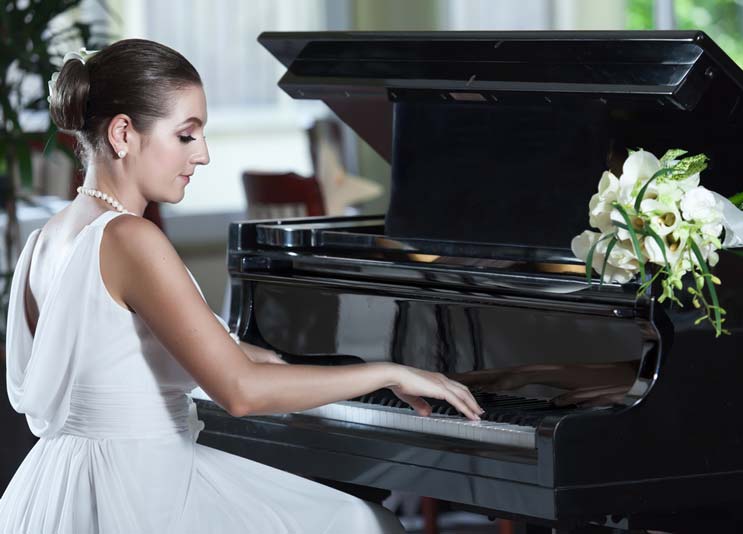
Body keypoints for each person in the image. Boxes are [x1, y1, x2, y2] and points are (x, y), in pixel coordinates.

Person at [0, 39, 483, 534]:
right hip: (143, 490)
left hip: (64, 480)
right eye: (187, 135)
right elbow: (240, 392)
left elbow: (132, 355)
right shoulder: (129, 237)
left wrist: (272, 359)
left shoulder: (46, 237)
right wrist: (388, 373)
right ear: (123, 133)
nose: (203, 154)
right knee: (364, 523)